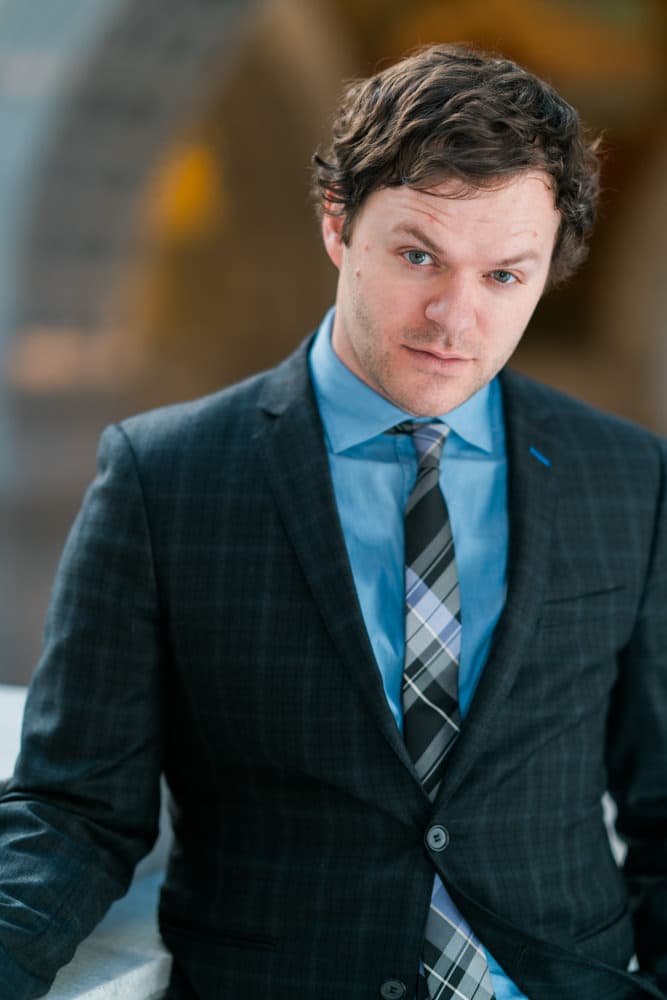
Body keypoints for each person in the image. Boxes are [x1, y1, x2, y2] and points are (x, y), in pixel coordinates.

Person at [0, 42, 665, 1000]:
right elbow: (74, 808)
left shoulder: (628, 477)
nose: (454, 318)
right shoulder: (164, 478)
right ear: (336, 225)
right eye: (416, 256)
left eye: (504, 276)